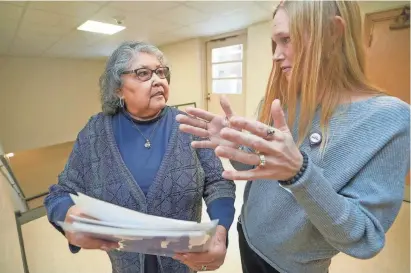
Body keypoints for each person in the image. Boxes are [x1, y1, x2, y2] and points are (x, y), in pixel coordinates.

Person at [177, 1, 410, 273]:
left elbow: (365, 238)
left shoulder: (390, 119)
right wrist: (235, 148)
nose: (276, 55)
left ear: (333, 33)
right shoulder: (282, 98)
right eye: (274, 43)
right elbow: (257, 168)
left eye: (286, 40)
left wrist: (300, 175)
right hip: (247, 236)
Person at [44, 41, 236, 273]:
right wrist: (67, 216)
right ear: (118, 88)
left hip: (185, 267)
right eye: (143, 73)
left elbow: (218, 182)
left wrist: (221, 231)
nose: (158, 80)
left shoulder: (189, 125)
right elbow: (60, 194)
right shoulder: (95, 132)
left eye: (161, 72)